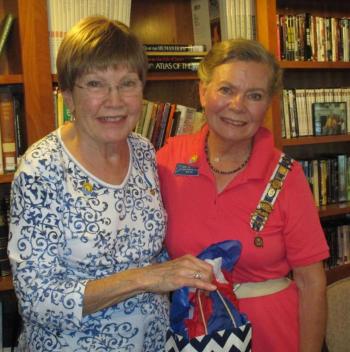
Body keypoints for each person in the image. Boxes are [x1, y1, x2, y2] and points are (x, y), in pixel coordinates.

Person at [7, 16, 216, 352]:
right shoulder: (42, 168)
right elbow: (37, 300)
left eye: (127, 83)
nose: (114, 100)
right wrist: (145, 278)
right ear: (69, 96)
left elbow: (151, 249)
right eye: (95, 84)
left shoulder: (144, 151)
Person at [156, 38, 329, 352]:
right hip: (194, 330)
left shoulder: (285, 175)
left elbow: (311, 281)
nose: (237, 105)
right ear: (202, 92)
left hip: (275, 335)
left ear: (267, 105)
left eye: (255, 95)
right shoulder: (169, 160)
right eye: (226, 89)